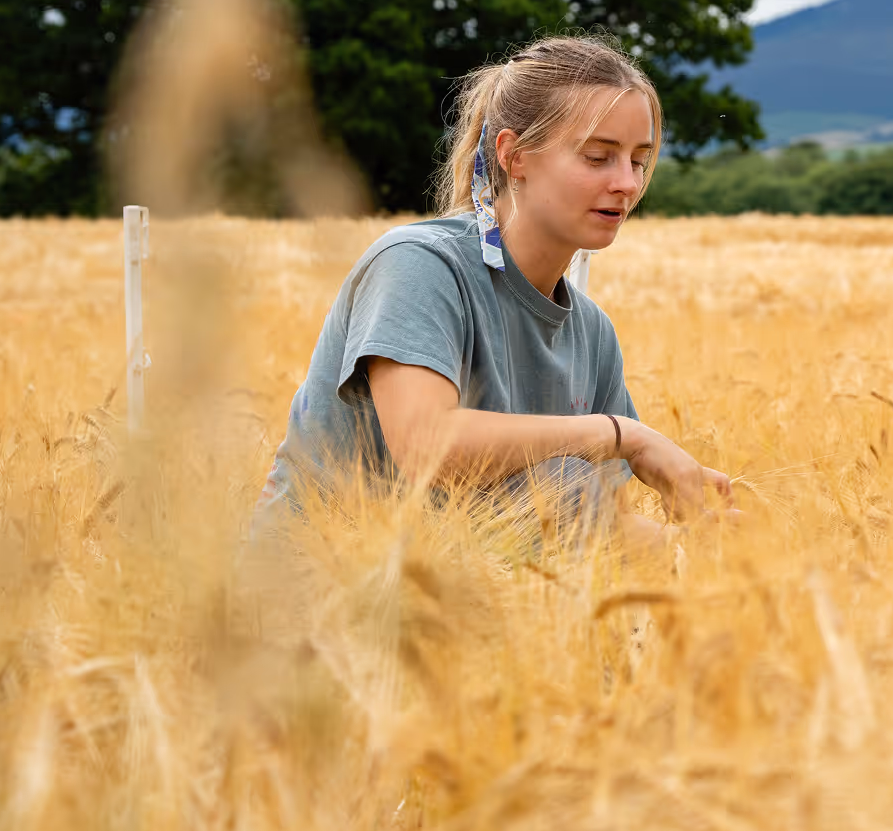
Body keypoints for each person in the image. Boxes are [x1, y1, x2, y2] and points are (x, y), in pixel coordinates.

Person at [259, 35, 729, 538]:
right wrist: (623, 435)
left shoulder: (593, 333)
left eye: (638, 160)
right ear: (515, 155)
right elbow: (426, 445)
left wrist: (698, 549)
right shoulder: (419, 267)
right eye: (598, 157)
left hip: (468, 601)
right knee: (563, 480)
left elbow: (594, 533)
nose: (628, 183)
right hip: (315, 593)